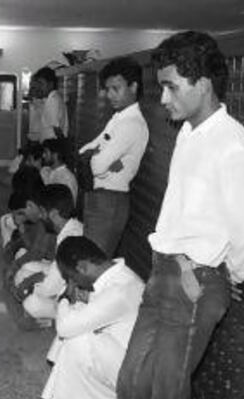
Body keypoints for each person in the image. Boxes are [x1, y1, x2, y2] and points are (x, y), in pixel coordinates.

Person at [91, 31, 244, 399]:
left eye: (171, 87)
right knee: (132, 383)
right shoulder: (192, 132)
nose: (163, 98)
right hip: (164, 274)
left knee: (161, 392)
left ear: (205, 83)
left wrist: (221, 274)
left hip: (193, 281)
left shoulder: (230, 144)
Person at [41, 237, 144, 399]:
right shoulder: (119, 276)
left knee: (76, 337)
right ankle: (64, 392)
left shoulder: (120, 289)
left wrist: (66, 298)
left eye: (72, 278)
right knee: (77, 315)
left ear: (82, 267)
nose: (73, 283)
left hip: (133, 374)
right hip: (123, 354)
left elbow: (65, 328)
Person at [79, 57, 148, 257]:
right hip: (101, 198)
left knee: (92, 264)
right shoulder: (118, 118)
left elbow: (97, 166)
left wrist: (99, 156)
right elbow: (84, 151)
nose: (109, 95)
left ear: (133, 87)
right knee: (88, 261)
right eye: (107, 89)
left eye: (115, 88)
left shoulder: (131, 124)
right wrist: (101, 156)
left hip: (110, 201)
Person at [17, 184, 83, 319]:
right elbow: (57, 269)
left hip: (72, 297)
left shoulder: (68, 238)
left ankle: (56, 319)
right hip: (63, 280)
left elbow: (50, 288)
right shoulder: (72, 227)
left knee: (31, 303)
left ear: (53, 214)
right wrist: (33, 279)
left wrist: (29, 286)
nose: (40, 216)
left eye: (42, 212)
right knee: (26, 269)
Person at [31, 66, 69, 141]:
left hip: (53, 145)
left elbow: (56, 128)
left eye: (41, 84)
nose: (39, 87)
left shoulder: (53, 100)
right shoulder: (51, 98)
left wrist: (63, 145)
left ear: (50, 84)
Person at [41, 138, 78, 205]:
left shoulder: (67, 178)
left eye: (46, 152)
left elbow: (67, 206)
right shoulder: (45, 171)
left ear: (55, 155)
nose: (43, 156)